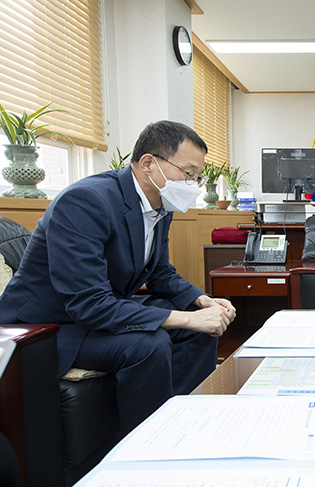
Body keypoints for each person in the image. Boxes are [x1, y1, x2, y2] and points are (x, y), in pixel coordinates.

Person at [0, 120, 236, 433]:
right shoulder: (85, 201)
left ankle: (180, 424)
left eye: (198, 177)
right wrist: (187, 319)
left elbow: (161, 273)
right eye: (188, 173)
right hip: (46, 327)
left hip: (95, 315)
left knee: (199, 328)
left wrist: (203, 302)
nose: (193, 184)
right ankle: (146, 445)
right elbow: (90, 304)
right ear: (150, 163)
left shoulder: (159, 206)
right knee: (148, 344)